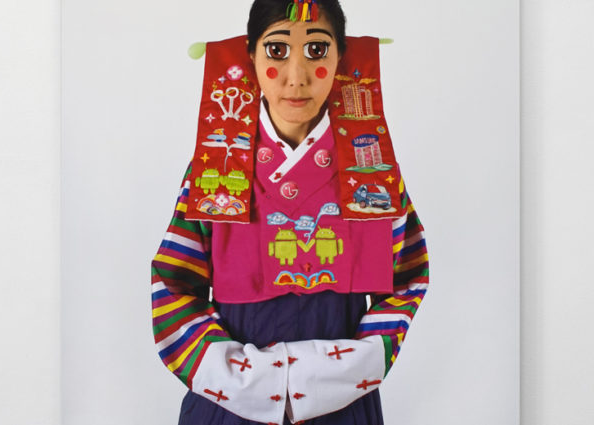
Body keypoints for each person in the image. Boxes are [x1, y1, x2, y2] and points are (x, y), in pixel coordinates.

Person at [151, 1, 429, 424]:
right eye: (277, 51)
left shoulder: (373, 172)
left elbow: (408, 276)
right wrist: (236, 376)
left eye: (317, 50)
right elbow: (173, 283)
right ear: (250, 55)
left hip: (343, 407)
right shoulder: (217, 168)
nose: (296, 77)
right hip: (226, 407)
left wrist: (354, 366)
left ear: (341, 56)